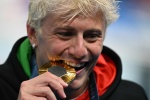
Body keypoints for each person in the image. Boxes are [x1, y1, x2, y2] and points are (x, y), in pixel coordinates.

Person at [0, 0, 148, 100]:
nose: (80, 51)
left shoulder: (131, 95)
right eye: (65, 34)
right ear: (33, 33)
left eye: (92, 36)